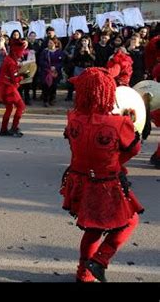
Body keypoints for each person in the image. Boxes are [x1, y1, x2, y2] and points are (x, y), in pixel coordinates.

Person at [60, 67, 144, 282]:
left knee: (93, 229)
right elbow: (134, 149)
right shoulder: (119, 123)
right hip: (106, 183)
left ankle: (84, 273)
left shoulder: (73, 118)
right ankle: (99, 261)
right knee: (130, 221)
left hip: (79, 181)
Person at [0, 43, 29, 137]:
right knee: (21, 106)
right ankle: (14, 128)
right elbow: (15, 78)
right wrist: (23, 76)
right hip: (8, 87)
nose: (21, 54)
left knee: (9, 108)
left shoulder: (9, 59)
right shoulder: (11, 62)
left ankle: (4, 129)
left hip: (4, 86)